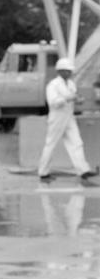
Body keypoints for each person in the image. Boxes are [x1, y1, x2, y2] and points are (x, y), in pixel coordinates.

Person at [37, 56, 96, 185]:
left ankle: (83, 170)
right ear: (61, 71)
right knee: (51, 144)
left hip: (69, 117)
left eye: (70, 71)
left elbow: (73, 98)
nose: (70, 73)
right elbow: (53, 102)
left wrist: (77, 100)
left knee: (76, 143)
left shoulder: (71, 84)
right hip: (57, 117)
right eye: (67, 70)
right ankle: (43, 172)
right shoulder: (53, 85)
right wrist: (68, 98)